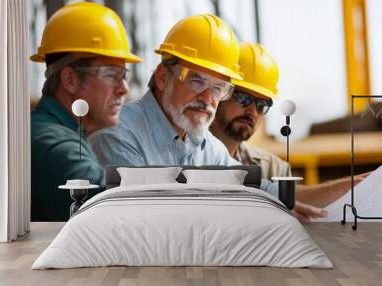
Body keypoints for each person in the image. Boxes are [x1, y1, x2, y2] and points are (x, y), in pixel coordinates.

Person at [89, 15, 326, 222]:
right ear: (162, 77)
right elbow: (149, 215)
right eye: (196, 80)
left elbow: (251, 184)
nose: (207, 98)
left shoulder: (203, 144)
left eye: (218, 88)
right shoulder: (118, 134)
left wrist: (286, 201)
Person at [211, 42, 367, 219]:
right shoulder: (187, 156)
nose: (252, 111)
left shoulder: (272, 167)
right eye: (243, 98)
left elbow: (297, 200)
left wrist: (353, 186)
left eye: (263, 104)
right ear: (219, 93)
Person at [30, 2, 141, 221]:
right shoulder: (54, 146)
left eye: (123, 75)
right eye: (111, 74)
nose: (124, 88)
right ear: (70, 80)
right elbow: (117, 211)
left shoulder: (59, 130)